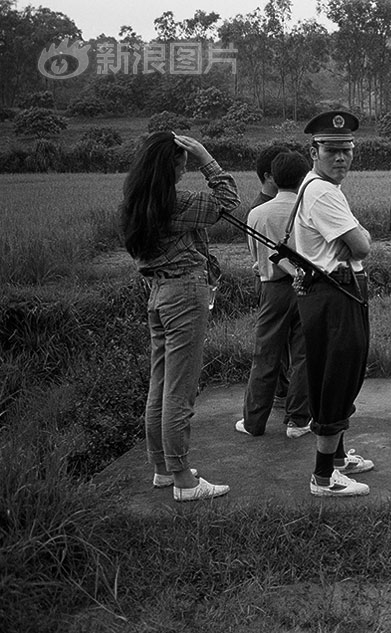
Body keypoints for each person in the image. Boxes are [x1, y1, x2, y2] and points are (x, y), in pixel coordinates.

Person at [119, 131, 238, 502]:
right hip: (185, 293)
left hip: (157, 294)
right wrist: (206, 157)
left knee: (160, 385)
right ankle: (184, 479)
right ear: (173, 162)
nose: (186, 162)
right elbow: (227, 201)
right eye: (183, 157)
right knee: (180, 390)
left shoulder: (135, 204)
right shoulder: (177, 202)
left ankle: (162, 469)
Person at [294, 111, 375, 497]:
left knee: (339, 373)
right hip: (335, 292)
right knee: (337, 378)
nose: (341, 158)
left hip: (334, 290)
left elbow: (355, 240)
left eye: (347, 150)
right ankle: (324, 477)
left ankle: (338, 458)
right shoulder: (323, 192)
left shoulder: (320, 186)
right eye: (332, 151)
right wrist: (359, 236)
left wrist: (355, 235)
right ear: (314, 150)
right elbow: (361, 245)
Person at [235, 152, 312, 439]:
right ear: (304, 178)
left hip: (272, 289)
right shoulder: (309, 209)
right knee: (303, 355)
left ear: (272, 177)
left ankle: (254, 422)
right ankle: (298, 421)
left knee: (266, 355)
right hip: (307, 288)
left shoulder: (257, 214)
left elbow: (257, 257)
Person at [251, 143, 300, 407]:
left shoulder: (257, 211)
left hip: (272, 283)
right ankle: (285, 396)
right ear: (269, 175)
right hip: (280, 283)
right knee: (279, 349)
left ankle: (278, 400)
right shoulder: (265, 207)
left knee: (275, 348)